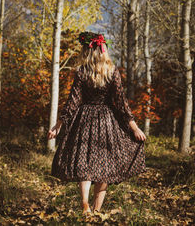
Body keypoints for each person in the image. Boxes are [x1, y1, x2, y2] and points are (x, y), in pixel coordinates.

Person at [48, 31, 146, 215]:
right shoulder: (112, 71)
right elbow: (121, 103)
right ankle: (96, 210)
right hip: (106, 122)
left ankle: (85, 204)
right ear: (103, 50)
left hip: (84, 120)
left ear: (87, 51)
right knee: (105, 167)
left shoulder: (82, 72)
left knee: (85, 165)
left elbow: (73, 101)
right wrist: (134, 127)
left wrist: (58, 125)